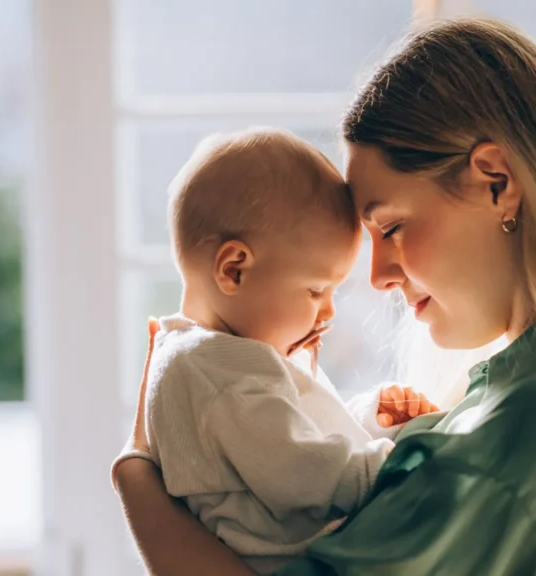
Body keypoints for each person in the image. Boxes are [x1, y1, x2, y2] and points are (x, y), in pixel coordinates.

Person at [113, 18, 536, 575]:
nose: (378, 276)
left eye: (392, 228)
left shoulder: (525, 434)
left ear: (496, 183)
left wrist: (137, 473)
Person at [113, 128, 440, 574]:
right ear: (234, 269)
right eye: (315, 290)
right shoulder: (220, 372)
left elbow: (280, 444)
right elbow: (307, 477)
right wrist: (403, 460)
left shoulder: (198, 354)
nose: (326, 313)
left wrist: (370, 421)